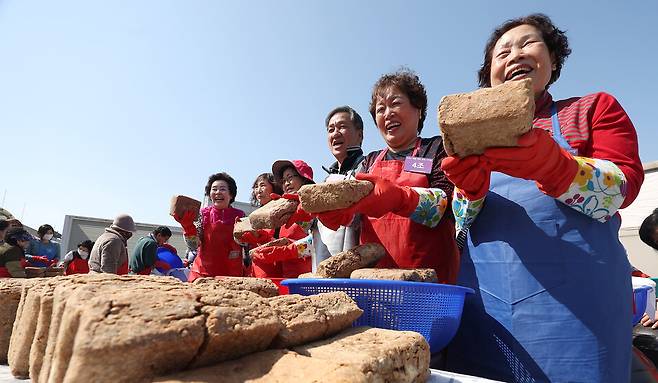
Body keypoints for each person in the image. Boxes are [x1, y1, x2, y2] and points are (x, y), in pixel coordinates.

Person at [440, 14, 644, 382]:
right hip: (488, 311)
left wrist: (556, 167)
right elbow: (461, 222)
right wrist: (468, 192)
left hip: (580, 313)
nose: (514, 54)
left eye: (528, 44)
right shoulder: (470, 137)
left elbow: (621, 190)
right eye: (502, 52)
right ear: (489, 75)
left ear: (553, 59)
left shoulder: (591, 109)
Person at [316, 70, 459, 283]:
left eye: (396, 103)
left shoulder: (437, 148)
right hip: (376, 281)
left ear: (418, 109)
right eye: (380, 109)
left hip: (430, 280)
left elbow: (448, 206)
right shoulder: (370, 161)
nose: (387, 113)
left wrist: (400, 198)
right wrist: (337, 212)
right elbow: (354, 215)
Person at [313, 106, 367, 267]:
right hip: (324, 273)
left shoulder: (368, 168)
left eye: (342, 127)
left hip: (359, 272)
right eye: (331, 129)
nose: (335, 133)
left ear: (360, 135)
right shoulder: (325, 180)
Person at [247, 160, 315, 278]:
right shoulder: (284, 209)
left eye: (290, 178)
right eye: (283, 181)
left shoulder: (314, 205)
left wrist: (291, 250)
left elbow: (317, 242)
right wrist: (264, 238)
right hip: (287, 275)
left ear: (304, 179)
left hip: (308, 276)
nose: (286, 183)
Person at [173, 172, 246, 281]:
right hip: (202, 274)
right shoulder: (202, 214)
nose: (218, 192)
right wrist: (188, 227)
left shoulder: (241, 215)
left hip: (232, 275)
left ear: (231, 194)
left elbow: (246, 244)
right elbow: (193, 245)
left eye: (222, 189)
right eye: (214, 189)